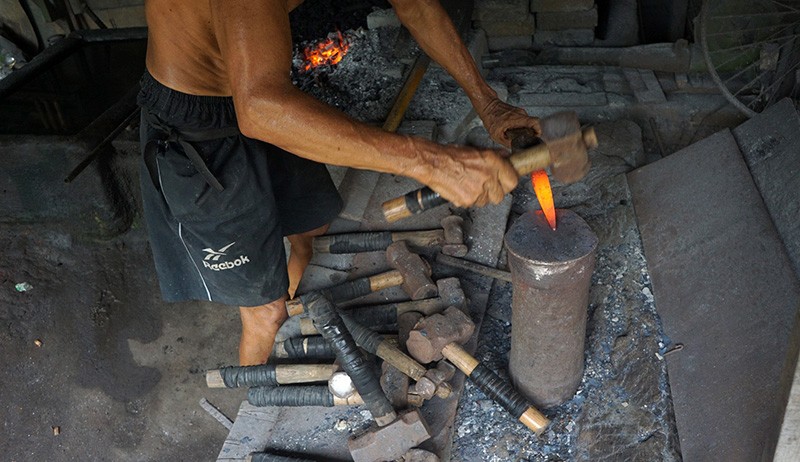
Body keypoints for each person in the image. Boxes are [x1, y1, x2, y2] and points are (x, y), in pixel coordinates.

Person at [138, 0, 544, 366]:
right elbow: (259, 109)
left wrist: (488, 103)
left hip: (261, 95)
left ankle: (293, 296)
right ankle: (253, 408)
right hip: (200, 124)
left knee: (311, 228)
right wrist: (431, 163)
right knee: (264, 313)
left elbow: (417, 6)